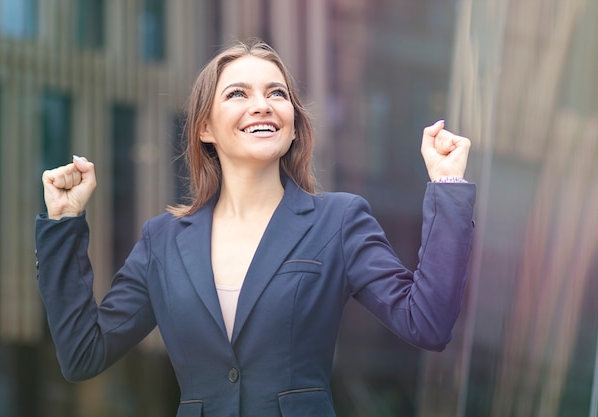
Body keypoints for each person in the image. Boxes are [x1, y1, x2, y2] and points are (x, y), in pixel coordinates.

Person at [36, 38, 476, 417]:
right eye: (237, 94)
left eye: (277, 93)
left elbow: (428, 323)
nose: (261, 105)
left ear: (292, 126)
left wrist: (448, 185)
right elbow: (83, 355)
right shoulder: (162, 241)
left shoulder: (338, 221)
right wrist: (63, 223)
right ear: (205, 128)